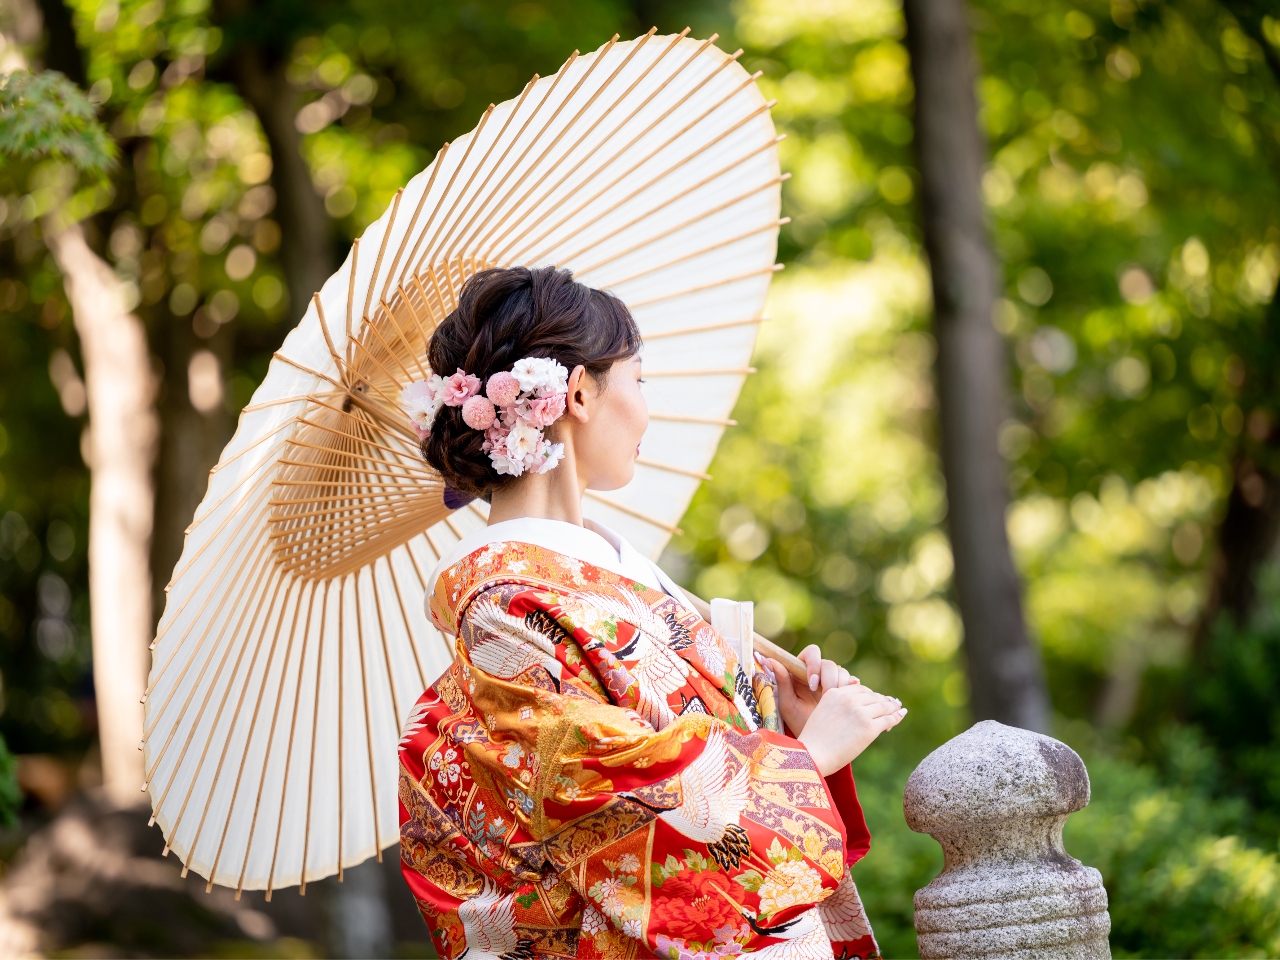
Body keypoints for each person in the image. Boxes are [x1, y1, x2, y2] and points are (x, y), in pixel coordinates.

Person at [397, 265, 906, 960]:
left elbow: (689, 734)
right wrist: (806, 759)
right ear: (579, 393)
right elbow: (608, 808)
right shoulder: (503, 609)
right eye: (638, 378)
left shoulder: (609, 573)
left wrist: (781, 716)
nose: (646, 408)